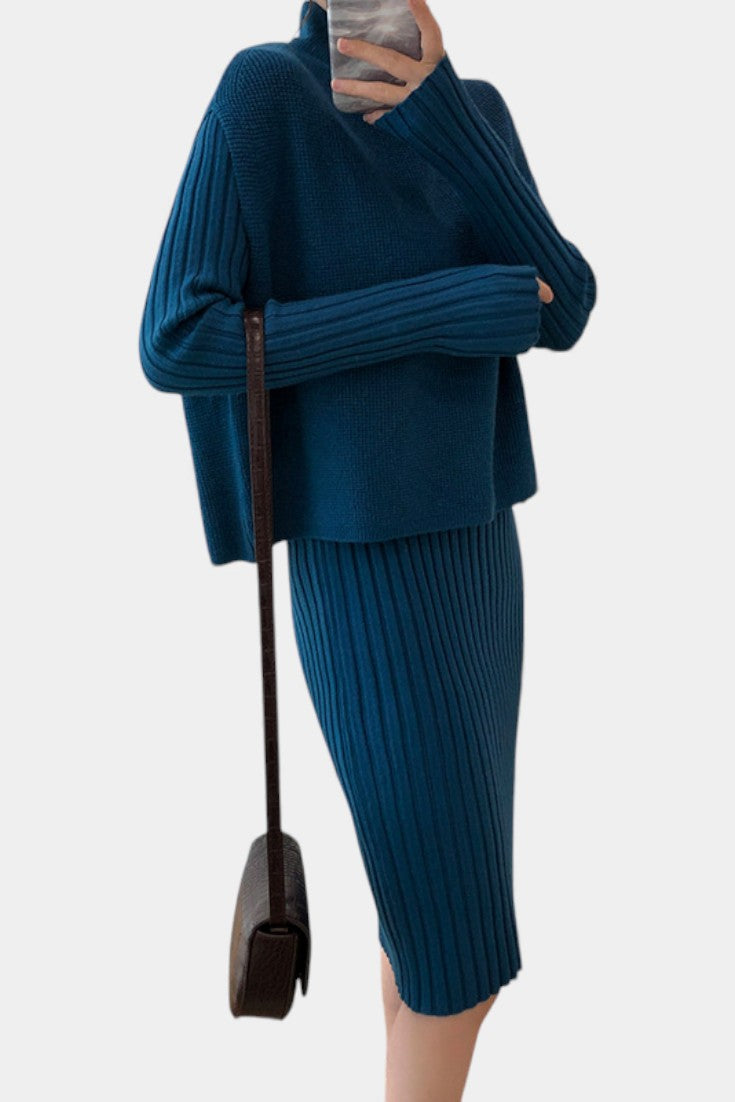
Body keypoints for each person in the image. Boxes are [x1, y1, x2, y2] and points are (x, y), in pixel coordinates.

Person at [138, 0, 596, 1097]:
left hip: (480, 554)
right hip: (363, 572)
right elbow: (178, 337)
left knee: (420, 928)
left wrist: (444, 115)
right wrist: (438, 312)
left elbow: (566, 305)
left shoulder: (474, 110)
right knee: (458, 962)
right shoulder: (264, 96)